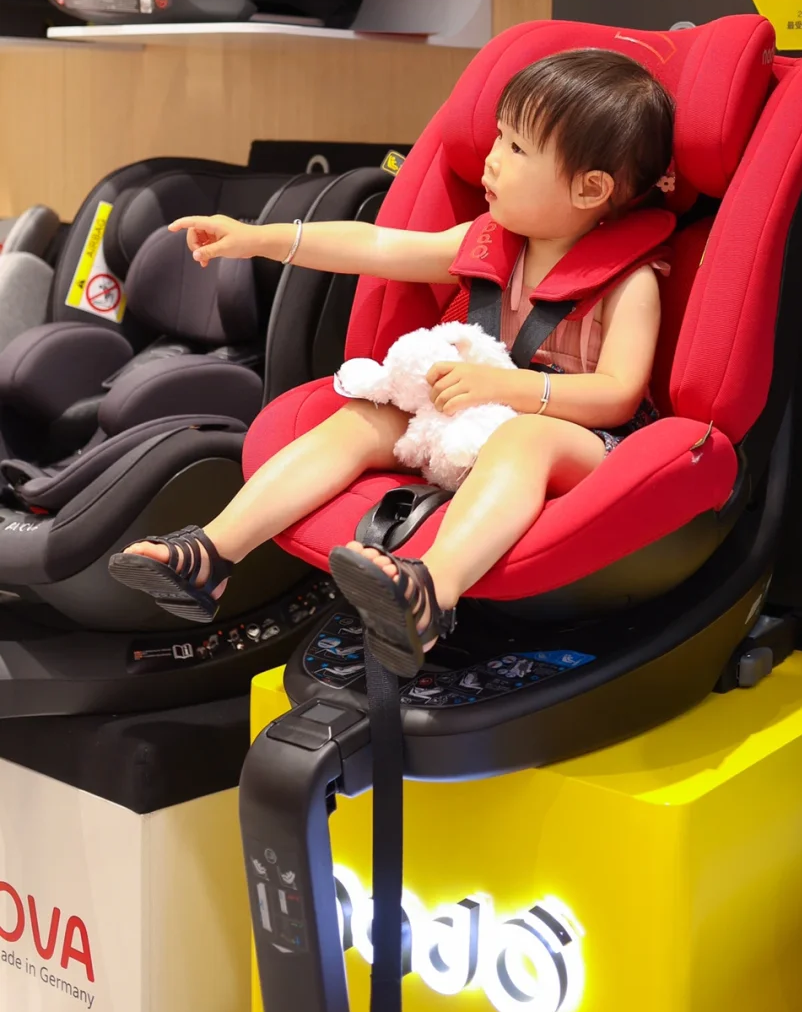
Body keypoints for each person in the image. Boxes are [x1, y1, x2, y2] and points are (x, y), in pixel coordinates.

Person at [108, 49, 675, 675]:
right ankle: (211, 555)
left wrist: (508, 389)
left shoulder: (630, 283)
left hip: (582, 441)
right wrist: (257, 238)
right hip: (474, 418)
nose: (491, 158)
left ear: (590, 188)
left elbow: (619, 395)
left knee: (525, 439)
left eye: (517, 149)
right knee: (366, 417)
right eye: (499, 136)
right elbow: (376, 244)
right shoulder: (487, 243)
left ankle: (431, 591)